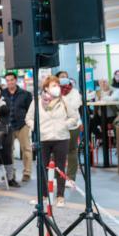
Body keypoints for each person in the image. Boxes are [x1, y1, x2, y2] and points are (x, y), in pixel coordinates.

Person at [26, 75, 79, 207]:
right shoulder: (37, 101)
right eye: (53, 85)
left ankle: (60, 196)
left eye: (57, 85)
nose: (56, 88)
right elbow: (29, 118)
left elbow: (74, 117)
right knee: (42, 167)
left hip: (61, 138)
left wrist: (65, 125)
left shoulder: (64, 101)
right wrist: (36, 128)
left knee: (60, 168)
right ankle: (43, 196)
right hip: (43, 138)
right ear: (46, 88)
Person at [2, 72, 34, 182]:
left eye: (12, 80)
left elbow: (31, 110)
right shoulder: (2, 94)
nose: (10, 82)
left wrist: (29, 123)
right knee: (9, 151)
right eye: (8, 80)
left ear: (16, 80)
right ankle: (11, 174)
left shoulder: (25, 94)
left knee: (26, 149)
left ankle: (27, 173)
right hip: (8, 126)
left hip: (22, 125)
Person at [57, 72, 84, 187]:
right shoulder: (54, 91)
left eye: (65, 76)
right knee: (57, 152)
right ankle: (57, 177)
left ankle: (71, 178)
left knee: (72, 150)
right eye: (61, 77)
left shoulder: (75, 92)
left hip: (73, 126)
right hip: (58, 125)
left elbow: (74, 107)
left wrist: (61, 103)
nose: (64, 79)